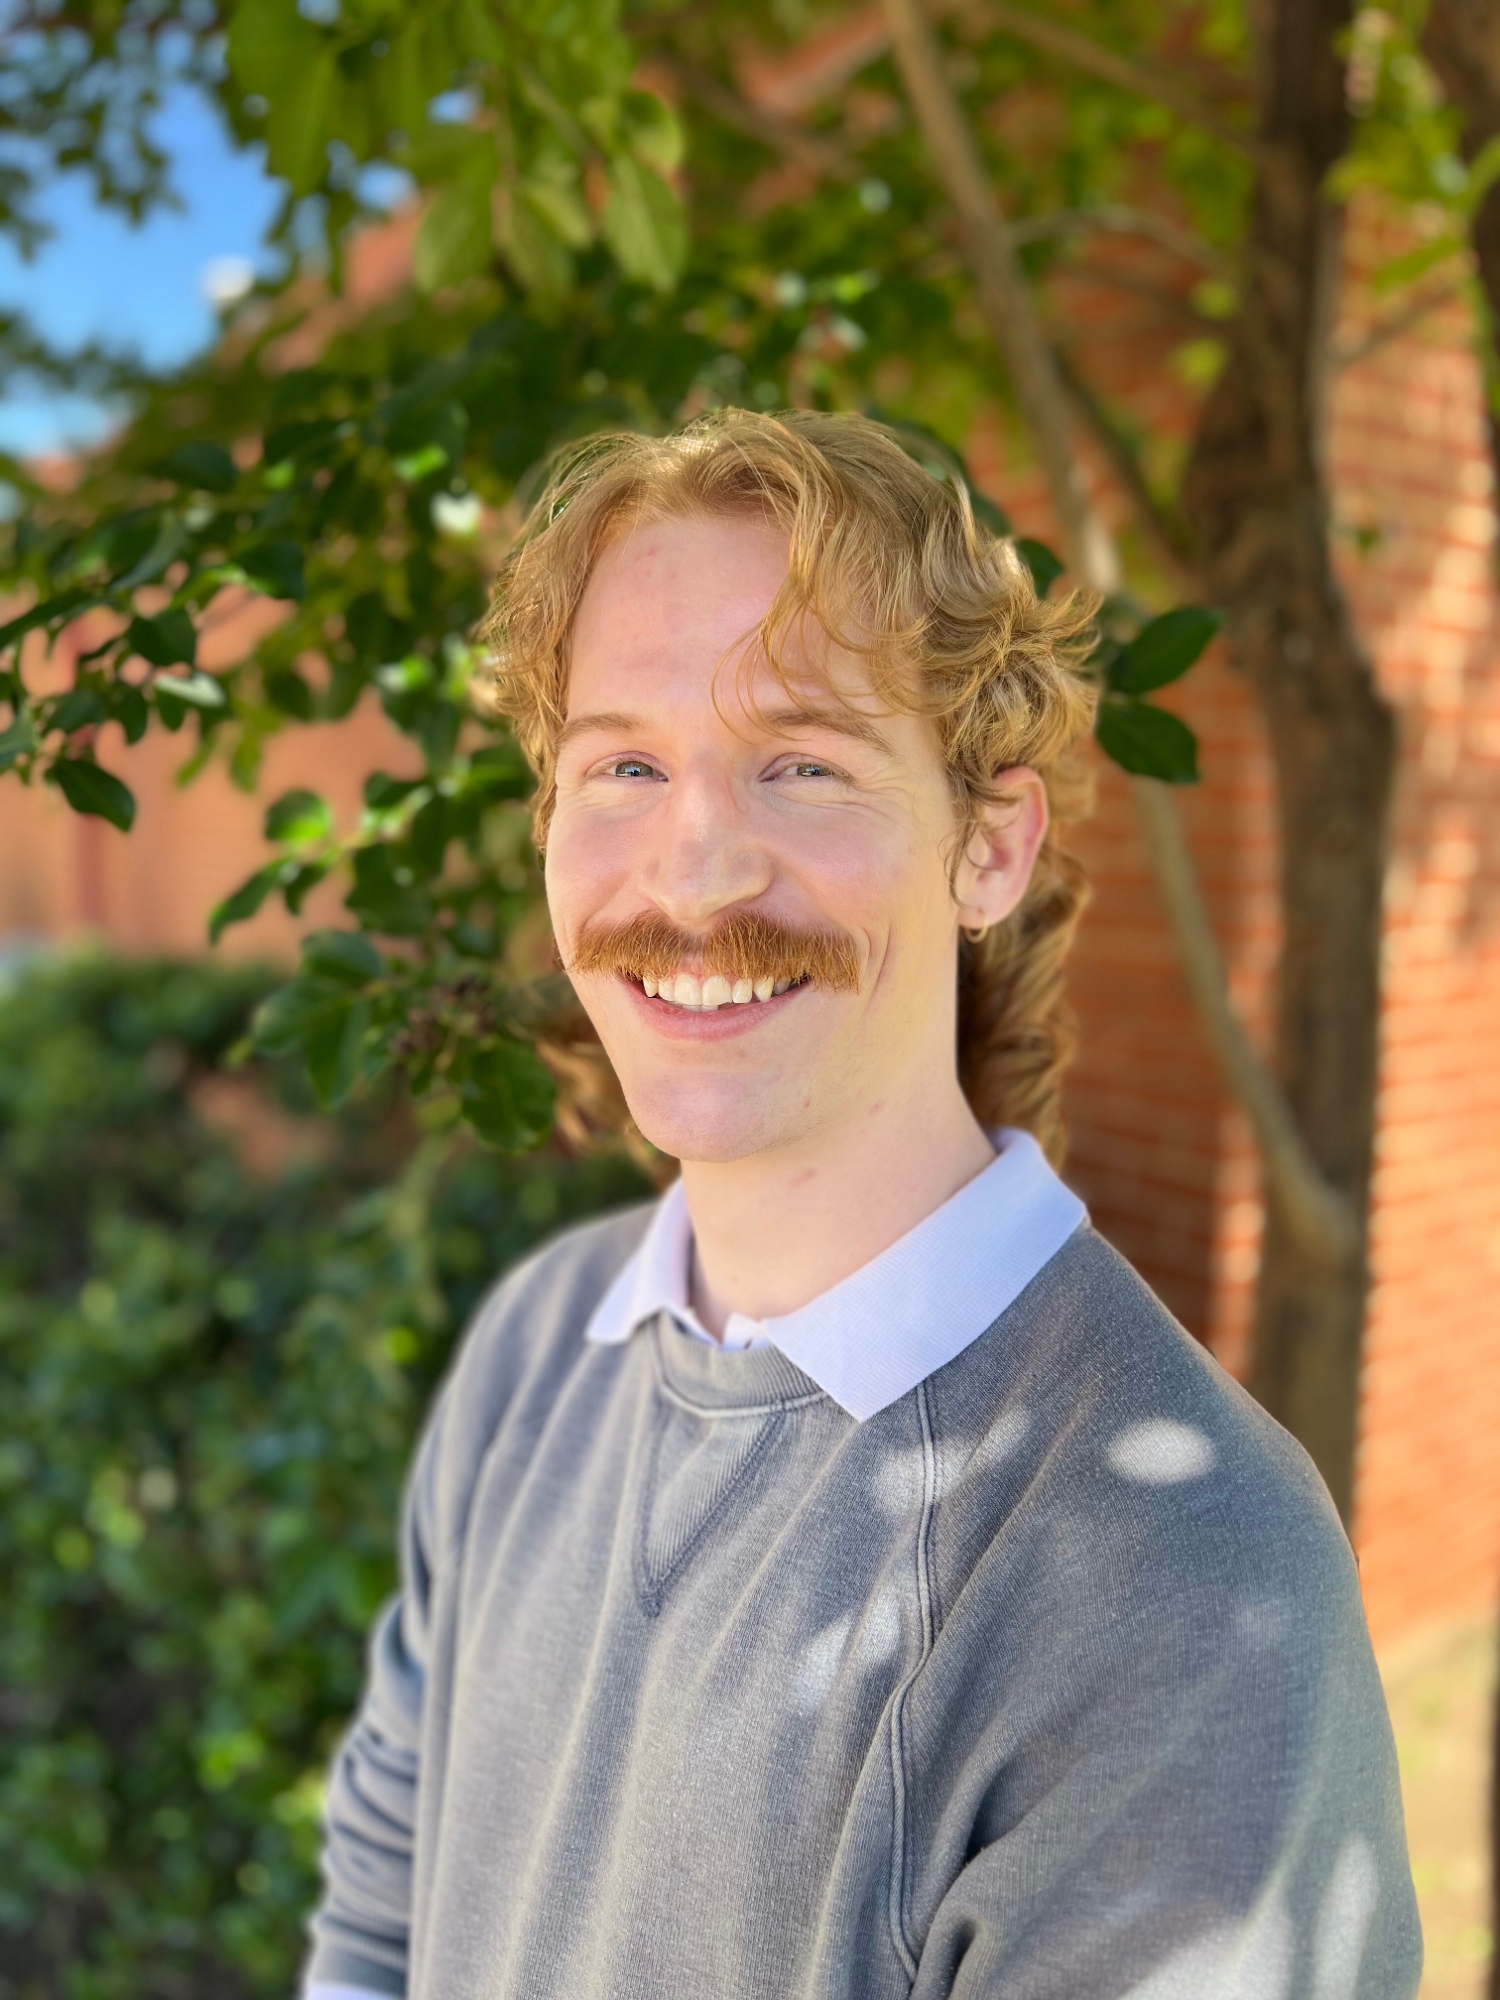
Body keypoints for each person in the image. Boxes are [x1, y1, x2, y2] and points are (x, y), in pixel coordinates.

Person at [301, 410, 1420, 2000]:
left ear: (989, 845)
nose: (691, 878)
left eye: (802, 763)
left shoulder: (1176, 1569)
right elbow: (375, 1931)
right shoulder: (536, 1350)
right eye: (621, 763)